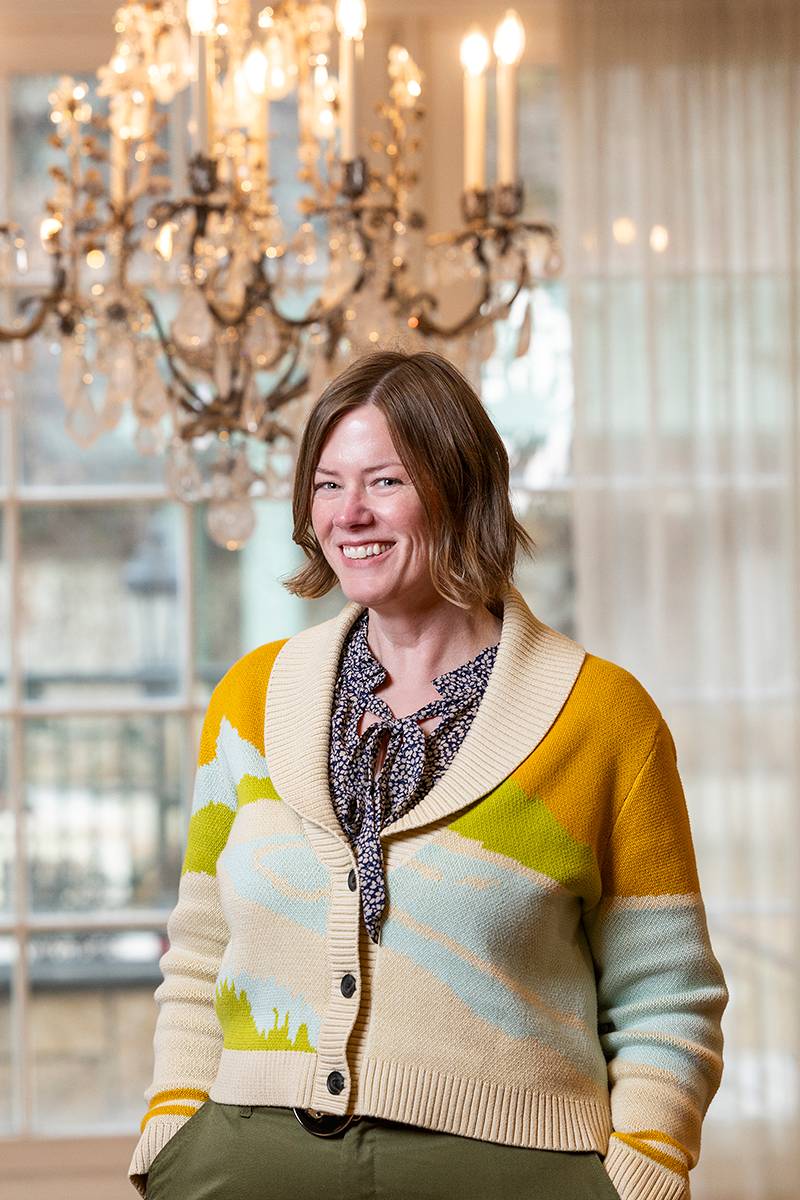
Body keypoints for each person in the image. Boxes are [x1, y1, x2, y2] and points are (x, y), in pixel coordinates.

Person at [128, 349, 728, 1200]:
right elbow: (200, 946)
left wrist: (640, 1174)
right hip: (245, 1160)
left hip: (510, 1169)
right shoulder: (253, 700)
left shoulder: (602, 717)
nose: (350, 514)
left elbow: (670, 993)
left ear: (459, 487)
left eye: (385, 481)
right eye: (327, 485)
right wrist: (173, 1128)